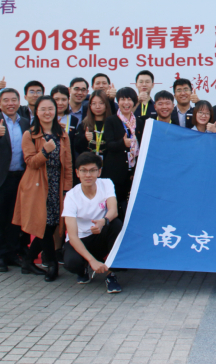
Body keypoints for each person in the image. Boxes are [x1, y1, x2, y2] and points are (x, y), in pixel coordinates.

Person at [13, 96, 73, 282]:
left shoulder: (62, 134)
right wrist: (45, 151)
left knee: (53, 224)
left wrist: (67, 189)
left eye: (50, 109)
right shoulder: (30, 134)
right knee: (44, 224)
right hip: (37, 186)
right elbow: (30, 162)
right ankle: (52, 264)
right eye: (43, 109)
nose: (47, 113)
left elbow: (68, 164)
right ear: (36, 112)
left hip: (56, 185)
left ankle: (28, 261)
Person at [0, 88, 31, 272]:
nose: (10, 103)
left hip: (20, 178)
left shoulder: (25, 122)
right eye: (6, 100)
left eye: (13, 100)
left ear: (19, 102)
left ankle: (12, 254)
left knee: (15, 220)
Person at [62, 152, 123, 293]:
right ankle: (83, 269)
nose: (88, 175)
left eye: (92, 170)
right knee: (72, 262)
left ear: (99, 172)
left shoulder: (106, 183)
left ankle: (111, 275)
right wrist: (91, 261)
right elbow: (73, 236)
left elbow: (113, 210)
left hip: (100, 234)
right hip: (81, 239)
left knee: (116, 224)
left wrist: (103, 221)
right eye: (83, 170)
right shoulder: (71, 197)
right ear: (77, 173)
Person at [105, 87, 140, 218]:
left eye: (129, 99)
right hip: (115, 172)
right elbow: (109, 145)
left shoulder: (139, 122)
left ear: (134, 102)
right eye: (122, 99)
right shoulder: (111, 120)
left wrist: (135, 171)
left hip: (132, 173)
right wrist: (122, 143)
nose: (126, 103)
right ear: (117, 102)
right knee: (116, 207)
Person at [74, 90, 112, 160]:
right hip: (89, 163)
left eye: (101, 103)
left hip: (108, 163)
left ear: (106, 104)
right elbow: (77, 148)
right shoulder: (84, 124)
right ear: (90, 105)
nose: (97, 107)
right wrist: (85, 138)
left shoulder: (112, 123)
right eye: (94, 103)